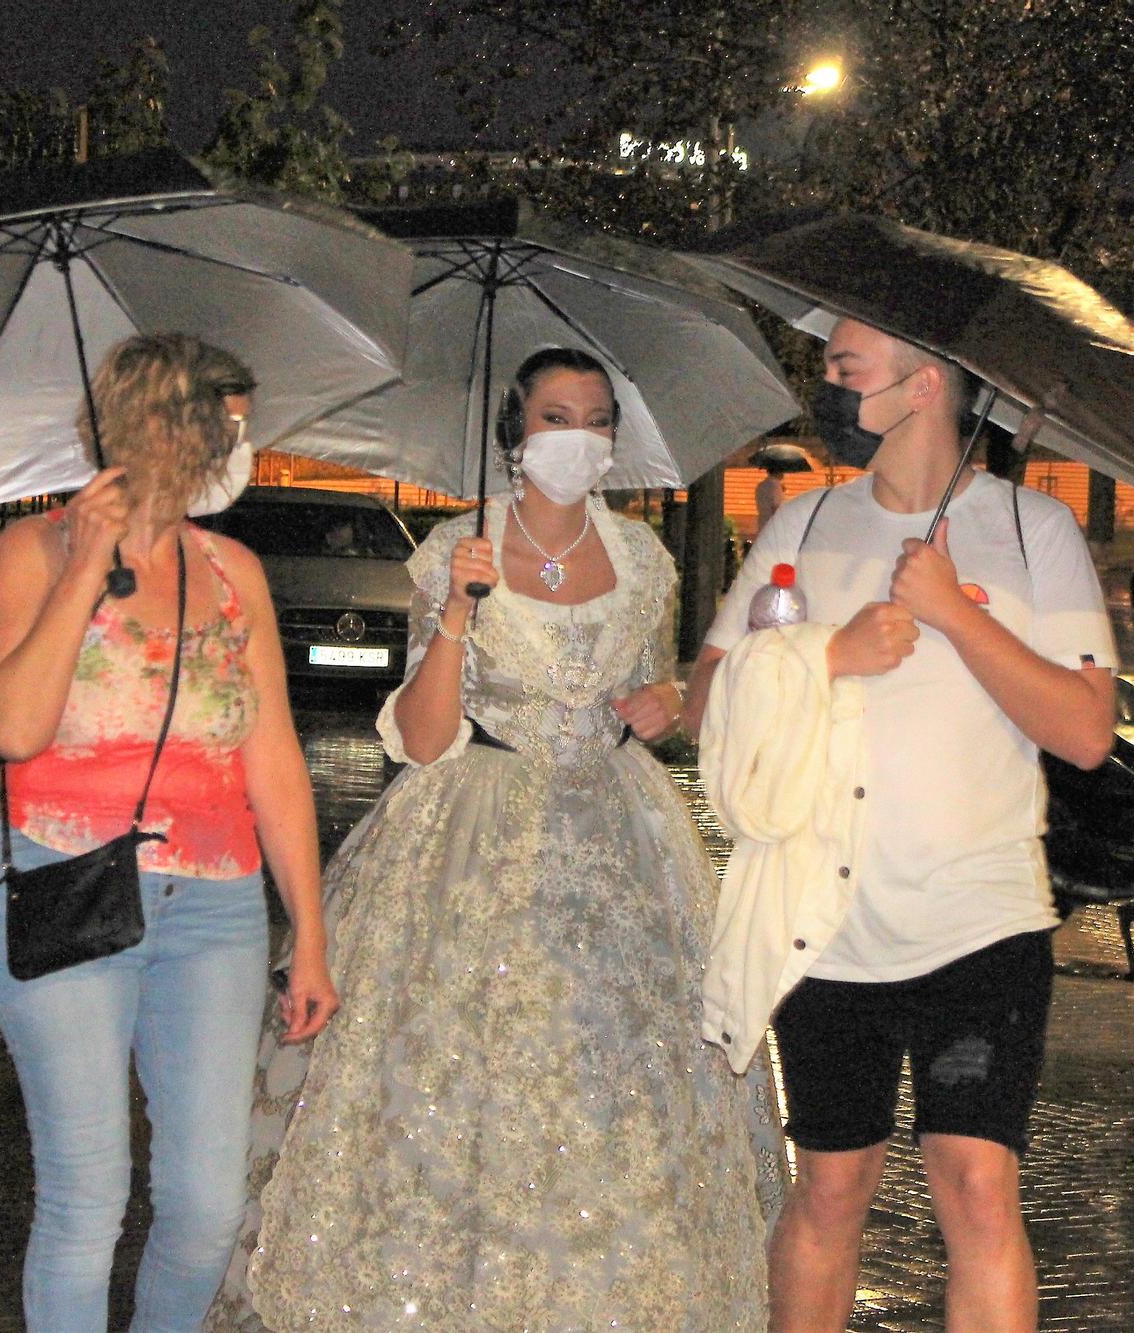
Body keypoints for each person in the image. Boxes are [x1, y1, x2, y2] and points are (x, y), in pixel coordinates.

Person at [219, 347, 784, 1331]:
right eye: (558, 415)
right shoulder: (453, 550)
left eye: (598, 417)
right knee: (461, 1077)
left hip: (621, 840)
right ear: (515, 436)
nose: (581, 436)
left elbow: (654, 698)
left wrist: (670, 701)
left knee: (624, 1082)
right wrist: (454, 618)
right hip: (471, 828)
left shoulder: (645, 561)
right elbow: (426, 739)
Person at [684, 316, 1118, 1333]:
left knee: (972, 1183)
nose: (827, 384)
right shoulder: (799, 524)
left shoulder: (1029, 530)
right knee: (830, 1187)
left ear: (925, 384)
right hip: (827, 920)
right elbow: (708, 699)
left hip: (979, 917)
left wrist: (957, 613)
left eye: (847, 366)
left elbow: (1087, 731)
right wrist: (826, 655)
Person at [0, 333, 338, 1331]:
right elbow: (12, 728)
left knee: (205, 1204)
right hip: (67, 886)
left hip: (214, 908)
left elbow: (273, 760)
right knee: (87, 1199)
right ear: (167, 428)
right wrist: (86, 568)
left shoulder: (234, 571)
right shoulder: (35, 552)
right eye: (232, 423)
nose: (244, 445)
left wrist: (307, 930)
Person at [756, 460, 789, 531]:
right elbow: (776, 506)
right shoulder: (775, 485)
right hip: (773, 525)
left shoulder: (760, 485)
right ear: (778, 472)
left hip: (762, 522)